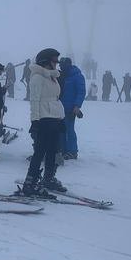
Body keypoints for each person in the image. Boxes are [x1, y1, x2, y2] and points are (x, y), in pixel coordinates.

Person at [19, 48, 67, 196]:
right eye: (54, 61)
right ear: (45, 61)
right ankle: (30, 182)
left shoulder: (52, 77)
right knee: (40, 152)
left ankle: (48, 178)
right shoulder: (37, 78)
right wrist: (35, 121)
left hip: (54, 118)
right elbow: (35, 101)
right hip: (44, 119)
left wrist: (60, 118)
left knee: (53, 150)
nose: (56, 64)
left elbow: (55, 100)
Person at [58, 57, 85, 160]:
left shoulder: (77, 76)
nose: (61, 67)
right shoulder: (63, 76)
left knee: (69, 130)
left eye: (62, 65)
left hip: (71, 109)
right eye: (60, 65)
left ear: (68, 65)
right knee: (61, 130)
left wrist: (77, 106)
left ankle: (72, 151)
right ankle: (63, 150)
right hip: (60, 108)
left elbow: (81, 92)